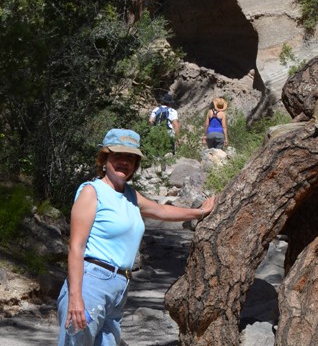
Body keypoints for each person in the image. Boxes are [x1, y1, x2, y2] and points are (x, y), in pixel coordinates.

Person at [57, 128, 215, 346]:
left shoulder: (130, 195)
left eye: (130, 158)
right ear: (105, 159)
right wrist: (75, 297)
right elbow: (76, 247)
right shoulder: (92, 192)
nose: (125, 162)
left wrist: (199, 212)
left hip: (119, 287)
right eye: (118, 156)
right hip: (90, 283)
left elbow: (162, 211)